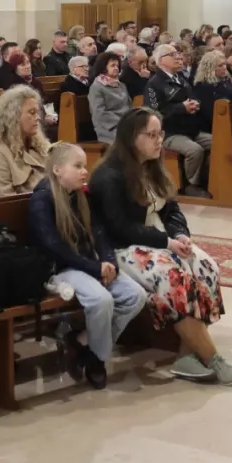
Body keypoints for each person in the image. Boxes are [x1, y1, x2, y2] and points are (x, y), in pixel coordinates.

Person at [89, 109, 232, 384]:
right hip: (123, 248)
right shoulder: (109, 176)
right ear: (132, 137)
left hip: (158, 241)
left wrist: (180, 235)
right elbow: (120, 228)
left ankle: (185, 356)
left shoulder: (153, 166)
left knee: (206, 267)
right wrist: (167, 242)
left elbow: (172, 210)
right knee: (174, 276)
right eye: (152, 135)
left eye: (161, 134)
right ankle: (212, 358)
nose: (159, 140)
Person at [28, 143, 147, 390]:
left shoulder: (83, 195)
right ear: (58, 170)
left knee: (135, 295)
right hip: (61, 270)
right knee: (101, 300)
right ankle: (97, 361)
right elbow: (54, 247)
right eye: (78, 166)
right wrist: (94, 268)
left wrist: (108, 262)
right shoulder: (42, 199)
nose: (85, 171)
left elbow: (99, 232)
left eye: (85, 165)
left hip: (87, 264)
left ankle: (84, 344)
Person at [146, 43, 214, 194]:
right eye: (173, 55)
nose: (178, 57)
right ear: (161, 60)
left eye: (178, 54)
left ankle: (208, 180)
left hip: (190, 129)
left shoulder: (181, 78)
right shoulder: (154, 84)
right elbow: (155, 113)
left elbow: (193, 96)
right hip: (169, 132)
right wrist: (182, 108)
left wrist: (195, 104)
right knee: (195, 150)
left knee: (219, 144)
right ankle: (191, 185)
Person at [0, 84, 50, 197]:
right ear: (13, 117)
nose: (38, 117)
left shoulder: (40, 147)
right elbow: (3, 203)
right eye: (32, 112)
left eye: (37, 112)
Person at [88, 52, 131, 146]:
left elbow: (129, 106)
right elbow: (99, 113)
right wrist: (122, 122)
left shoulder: (122, 85)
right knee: (130, 139)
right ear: (103, 68)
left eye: (117, 66)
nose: (116, 68)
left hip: (125, 124)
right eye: (112, 65)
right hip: (108, 127)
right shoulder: (96, 87)